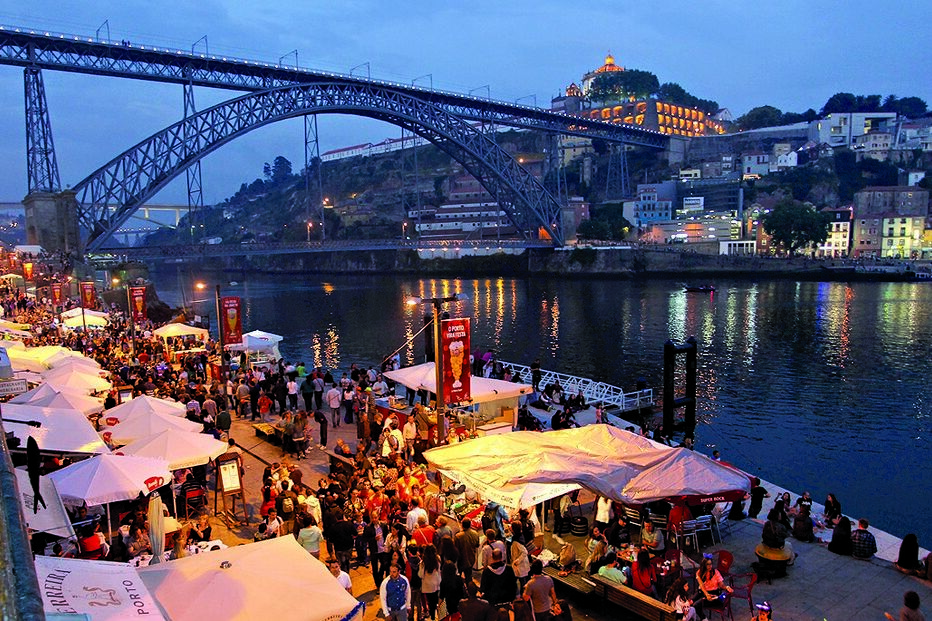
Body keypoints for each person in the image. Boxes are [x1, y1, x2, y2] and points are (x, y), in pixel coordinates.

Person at [419, 544, 442, 621]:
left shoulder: (423, 562)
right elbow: (439, 571)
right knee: (436, 601)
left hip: (428, 586)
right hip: (436, 583)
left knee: (430, 602)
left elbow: (420, 574)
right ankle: (437, 616)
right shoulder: (438, 559)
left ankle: (432, 617)